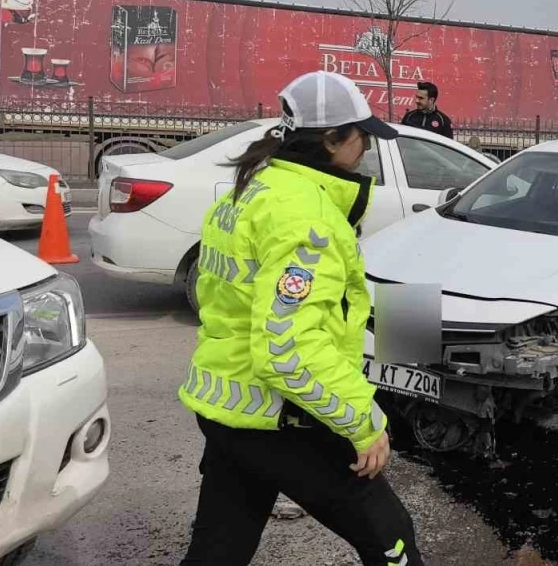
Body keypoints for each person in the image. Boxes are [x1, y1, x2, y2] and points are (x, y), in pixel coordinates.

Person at [178, 71, 425, 566]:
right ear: (333, 139)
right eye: (362, 136)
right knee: (391, 537)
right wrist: (363, 421)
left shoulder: (254, 188)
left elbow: (219, 298)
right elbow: (286, 348)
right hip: (282, 418)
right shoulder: (306, 217)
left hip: (228, 407)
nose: (367, 149)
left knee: (218, 552)